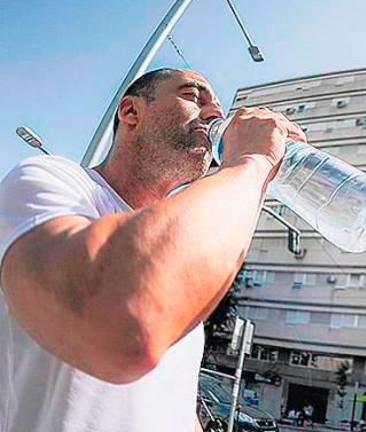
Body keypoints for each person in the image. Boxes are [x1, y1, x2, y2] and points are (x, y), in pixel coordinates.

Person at [0, 68, 304, 431]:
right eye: (194, 97)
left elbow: (169, 402)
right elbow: (123, 324)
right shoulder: (52, 181)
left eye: (217, 106)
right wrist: (253, 163)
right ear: (131, 113)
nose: (215, 114)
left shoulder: (172, 256)